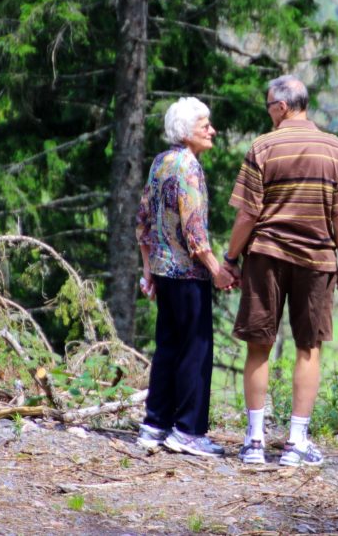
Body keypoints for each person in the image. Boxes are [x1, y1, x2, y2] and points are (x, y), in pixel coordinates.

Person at [221, 75, 338, 466]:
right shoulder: (333, 148)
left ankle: (254, 442)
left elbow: (248, 214)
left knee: (259, 346)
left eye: (268, 107)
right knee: (308, 348)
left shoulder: (263, 146)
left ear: (282, 107)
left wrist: (230, 260)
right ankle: (296, 444)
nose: (268, 114)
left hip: (265, 256)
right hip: (316, 261)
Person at [134, 97, 236, 458]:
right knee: (196, 349)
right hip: (189, 274)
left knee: (167, 348)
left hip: (163, 273)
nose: (212, 130)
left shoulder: (161, 162)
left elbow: (143, 221)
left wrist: (148, 272)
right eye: (204, 124)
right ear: (186, 131)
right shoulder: (189, 168)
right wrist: (218, 271)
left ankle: (154, 424)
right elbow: (195, 233)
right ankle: (188, 431)